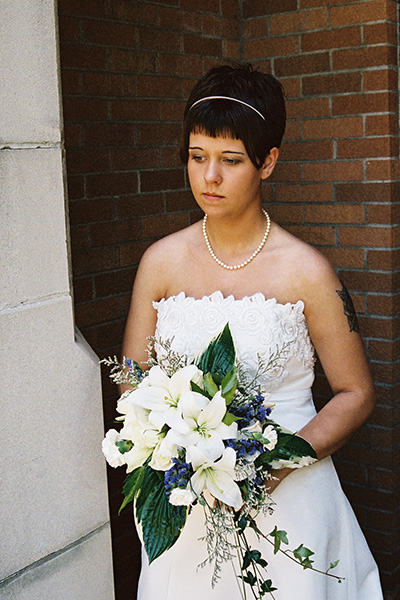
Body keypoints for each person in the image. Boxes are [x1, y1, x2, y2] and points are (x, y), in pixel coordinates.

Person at [122, 63, 383, 599]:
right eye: (197, 156)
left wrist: (274, 464)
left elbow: (356, 393)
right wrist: (172, 446)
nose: (209, 177)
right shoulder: (160, 262)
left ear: (268, 162)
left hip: (289, 499)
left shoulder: (307, 271)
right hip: (187, 503)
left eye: (231, 159)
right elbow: (133, 377)